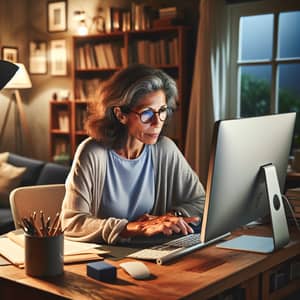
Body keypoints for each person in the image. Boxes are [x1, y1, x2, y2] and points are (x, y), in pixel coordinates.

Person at [61, 64, 205, 244]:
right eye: (147, 113)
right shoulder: (92, 153)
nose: (157, 122)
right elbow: (71, 223)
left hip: (152, 253)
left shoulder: (165, 149)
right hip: (105, 259)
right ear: (120, 114)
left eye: (162, 111)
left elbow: (200, 201)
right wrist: (134, 228)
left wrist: (169, 217)